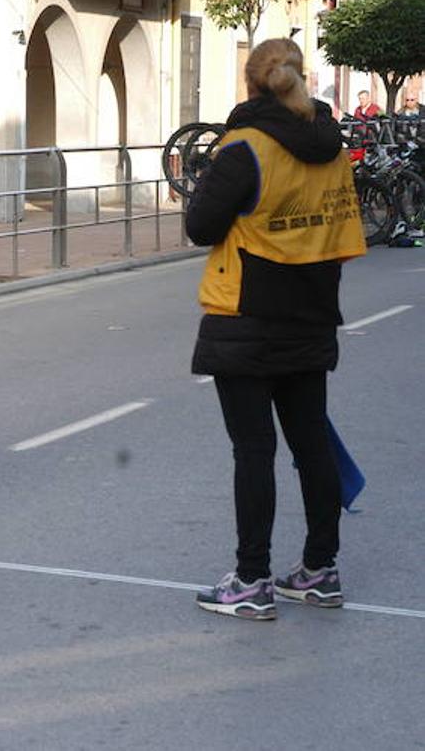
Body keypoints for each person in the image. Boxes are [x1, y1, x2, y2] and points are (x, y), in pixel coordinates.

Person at [187, 38, 366, 620]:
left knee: (254, 450)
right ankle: (320, 570)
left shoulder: (245, 147)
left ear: (251, 84)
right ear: (300, 79)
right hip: (312, 312)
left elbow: (201, 224)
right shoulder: (331, 147)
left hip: (246, 314)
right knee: (310, 441)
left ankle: (252, 579)